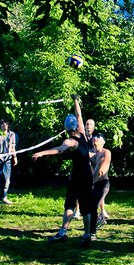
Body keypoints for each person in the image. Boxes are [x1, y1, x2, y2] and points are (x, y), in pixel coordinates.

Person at [32, 95, 96, 246]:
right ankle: (87, 235)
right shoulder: (83, 134)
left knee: (69, 204)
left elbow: (60, 150)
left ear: (66, 128)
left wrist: (41, 153)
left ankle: (62, 232)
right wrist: (75, 100)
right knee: (85, 207)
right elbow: (79, 114)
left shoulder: (70, 141)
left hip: (77, 177)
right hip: (87, 175)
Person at [90, 131, 111, 228]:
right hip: (92, 184)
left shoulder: (106, 152)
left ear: (103, 142)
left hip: (103, 184)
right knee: (89, 207)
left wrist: (100, 172)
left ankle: (92, 232)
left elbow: (104, 165)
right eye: (94, 136)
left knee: (93, 207)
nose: (95, 138)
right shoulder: (89, 153)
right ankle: (100, 219)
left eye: (98, 137)